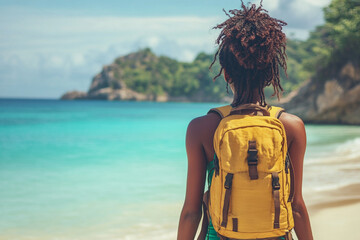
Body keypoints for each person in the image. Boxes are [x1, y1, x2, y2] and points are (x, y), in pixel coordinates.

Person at [177, 2, 313, 240]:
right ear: (271, 75)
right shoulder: (291, 126)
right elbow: (297, 206)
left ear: (226, 74)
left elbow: (191, 211)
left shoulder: (201, 128)